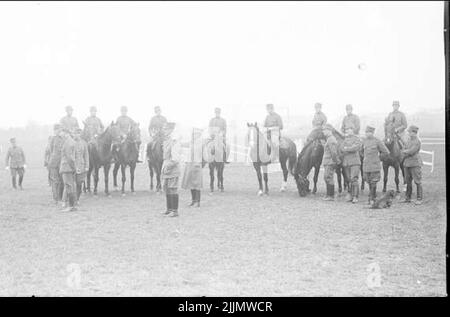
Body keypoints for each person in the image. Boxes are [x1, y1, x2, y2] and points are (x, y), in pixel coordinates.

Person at [361, 126, 389, 205]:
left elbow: (386, 152)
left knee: (373, 182)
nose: (367, 134)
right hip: (366, 165)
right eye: (366, 132)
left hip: (374, 165)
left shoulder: (377, 141)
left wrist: (379, 158)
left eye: (369, 132)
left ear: (372, 133)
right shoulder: (364, 141)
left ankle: (372, 198)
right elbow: (361, 151)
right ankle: (372, 196)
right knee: (368, 181)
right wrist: (365, 157)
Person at [161, 122, 182, 217]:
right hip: (166, 167)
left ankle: (175, 210)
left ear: (170, 130)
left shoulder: (174, 141)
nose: (164, 130)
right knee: (167, 189)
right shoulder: (166, 140)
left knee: (173, 189)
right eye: (164, 128)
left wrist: (168, 167)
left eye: (165, 129)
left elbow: (175, 159)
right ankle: (169, 209)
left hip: (172, 168)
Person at [401, 125, 423, 205]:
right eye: (409, 132)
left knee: (418, 181)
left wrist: (405, 151)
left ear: (414, 133)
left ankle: (419, 198)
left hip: (415, 164)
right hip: (407, 164)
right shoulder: (408, 140)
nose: (409, 134)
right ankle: (407, 198)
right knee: (408, 182)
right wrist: (405, 151)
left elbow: (411, 151)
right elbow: (403, 149)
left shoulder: (417, 141)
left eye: (410, 132)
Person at [340, 124, 362, 203]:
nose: (348, 131)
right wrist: (349, 148)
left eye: (349, 129)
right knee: (348, 179)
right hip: (346, 163)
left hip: (355, 162)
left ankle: (355, 196)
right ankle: (350, 195)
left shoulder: (357, 139)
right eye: (347, 130)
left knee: (354, 179)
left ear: (353, 130)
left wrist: (347, 148)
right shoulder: (345, 140)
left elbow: (357, 147)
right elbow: (341, 148)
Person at [181, 128, 203, 207]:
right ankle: (193, 200)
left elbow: (205, 156)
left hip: (197, 164)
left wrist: (200, 163)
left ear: (199, 135)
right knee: (190, 183)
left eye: (196, 134)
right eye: (193, 134)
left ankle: (197, 202)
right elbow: (182, 144)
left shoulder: (201, 143)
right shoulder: (191, 142)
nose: (194, 135)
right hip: (189, 164)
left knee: (196, 183)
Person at [59, 128, 77, 212]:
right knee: (70, 186)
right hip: (68, 167)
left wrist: (73, 167)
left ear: (66, 133)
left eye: (61, 132)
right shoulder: (70, 141)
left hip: (67, 167)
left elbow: (70, 157)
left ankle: (71, 206)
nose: (60, 134)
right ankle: (72, 205)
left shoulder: (68, 143)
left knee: (68, 186)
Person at [322, 124, 341, 201]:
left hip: (330, 162)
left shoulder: (331, 139)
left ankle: (331, 195)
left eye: (325, 130)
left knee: (329, 177)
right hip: (327, 161)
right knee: (326, 177)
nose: (323, 132)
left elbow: (334, 152)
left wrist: (335, 161)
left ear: (329, 130)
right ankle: (328, 194)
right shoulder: (329, 139)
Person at [48, 124, 65, 204]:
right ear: (54, 131)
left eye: (59, 130)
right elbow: (50, 150)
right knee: (55, 181)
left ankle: (60, 198)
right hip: (54, 163)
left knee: (61, 181)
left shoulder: (63, 139)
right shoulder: (53, 139)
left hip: (61, 163)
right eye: (57, 130)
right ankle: (56, 199)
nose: (58, 131)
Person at [73, 128, 89, 205]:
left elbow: (86, 155)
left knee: (79, 183)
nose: (77, 135)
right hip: (72, 166)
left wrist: (87, 165)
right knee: (72, 183)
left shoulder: (84, 143)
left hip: (82, 166)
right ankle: (70, 199)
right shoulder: (71, 142)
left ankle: (77, 199)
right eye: (76, 133)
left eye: (78, 134)